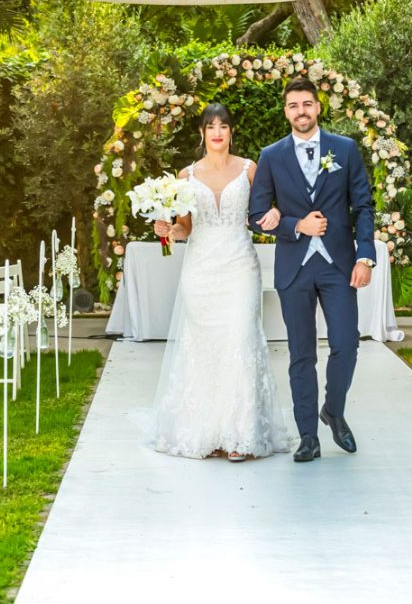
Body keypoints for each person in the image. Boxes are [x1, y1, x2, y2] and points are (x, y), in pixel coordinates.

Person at [148, 103, 291, 462]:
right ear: (202, 132)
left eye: (223, 126)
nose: (217, 132)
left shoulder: (249, 169)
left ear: (231, 132)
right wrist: (168, 230)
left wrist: (275, 213)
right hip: (200, 271)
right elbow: (185, 227)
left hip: (239, 266)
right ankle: (207, 432)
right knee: (204, 348)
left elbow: (264, 212)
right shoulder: (186, 176)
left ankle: (241, 434)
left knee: (241, 339)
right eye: (210, 126)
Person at [248, 76, 376, 462]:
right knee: (301, 354)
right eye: (293, 105)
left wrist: (364, 256)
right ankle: (308, 436)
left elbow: (363, 206)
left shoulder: (345, 149)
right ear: (285, 111)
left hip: (339, 265)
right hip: (295, 268)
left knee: (346, 344)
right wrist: (294, 225)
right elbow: (256, 215)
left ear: (318, 107)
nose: (300, 111)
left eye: (307, 104)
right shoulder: (271, 156)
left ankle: (333, 411)